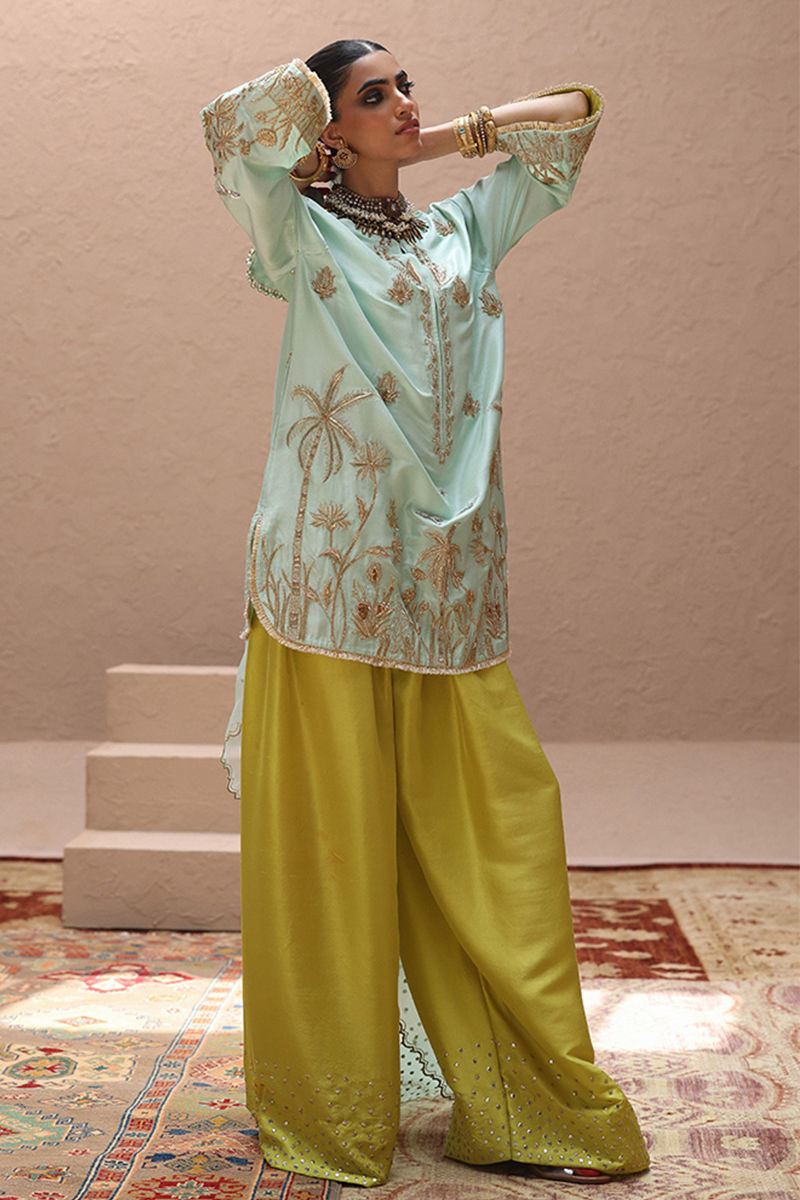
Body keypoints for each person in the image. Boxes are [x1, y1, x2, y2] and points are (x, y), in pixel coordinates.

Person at [201, 39, 650, 1188]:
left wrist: (428, 143)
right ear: (325, 128)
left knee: (498, 834)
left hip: (446, 592)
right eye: (376, 95)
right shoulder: (300, 235)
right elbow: (238, 125)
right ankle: (333, 1112)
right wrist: (331, 155)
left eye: (406, 84)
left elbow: (571, 116)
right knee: (333, 857)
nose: (405, 101)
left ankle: (523, 1106)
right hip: (328, 588)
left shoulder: (464, 230)